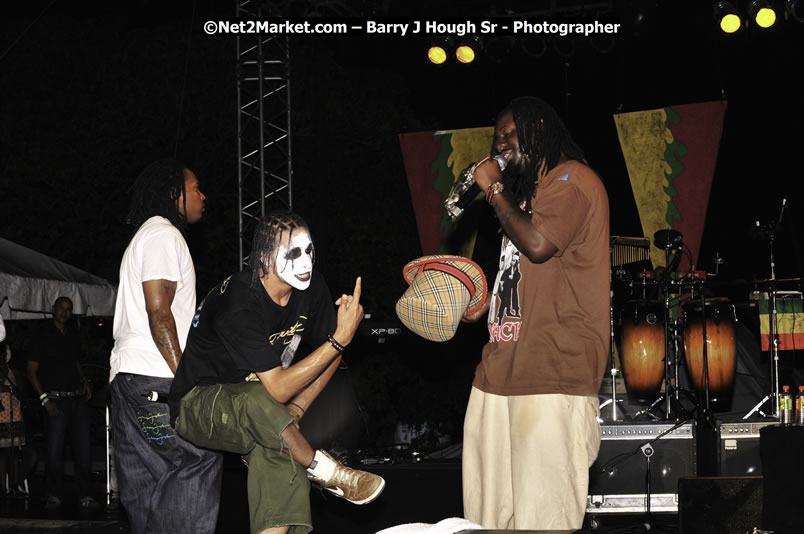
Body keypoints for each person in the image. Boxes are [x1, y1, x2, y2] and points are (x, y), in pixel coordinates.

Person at [169, 211, 385, 534]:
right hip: (196, 404)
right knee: (261, 402)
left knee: (282, 454)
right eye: (293, 253)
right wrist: (340, 338)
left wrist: (297, 409)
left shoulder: (311, 290)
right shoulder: (239, 301)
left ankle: (299, 471)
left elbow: (331, 357)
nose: (306, 261)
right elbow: (279, 388)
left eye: (309, 250)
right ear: (265, 259)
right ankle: (325, 470)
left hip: (264, 411)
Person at [461, 96, 610, 531]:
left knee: (543, 521)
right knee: (487, 521)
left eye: (509, 134)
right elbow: (525, 278)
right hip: (498, 373)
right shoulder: (530, 200)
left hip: (551, 374)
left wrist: (492, 188)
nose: (500, 145)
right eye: (497, 137)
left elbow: (540, 246)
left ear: (539, 126)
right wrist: (484, 307)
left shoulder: (572, 180)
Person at [108, 158, 222, 534]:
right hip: (158, 378)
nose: (203, 195)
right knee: (198, 459)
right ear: (175, 194)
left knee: (146, 487)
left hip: (129, 382)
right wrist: (188, 381)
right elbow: (160, 314)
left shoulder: (144, 235)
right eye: (196, 188)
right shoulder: (163, 234)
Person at [27, 297, 97, 509]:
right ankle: (54, 495)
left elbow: (76, 362)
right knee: (54, 451)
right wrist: (44, 399)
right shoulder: (42, 336)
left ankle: (85, 495)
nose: (65, 313)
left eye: (68, 309)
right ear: (53, 310)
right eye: (61, 308)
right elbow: (31, 372)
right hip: (55, 400)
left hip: (77, 399)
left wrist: (85, 380)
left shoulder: (72, 335)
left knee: (83, 450)